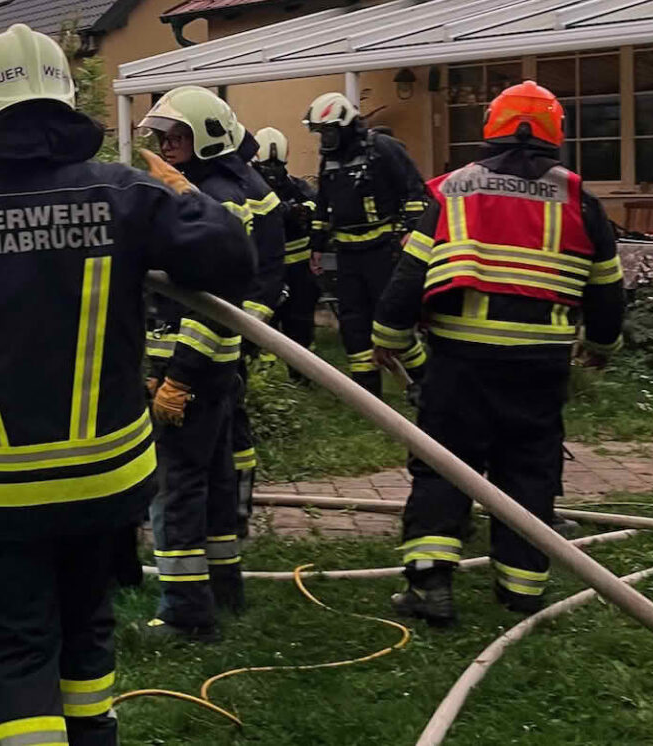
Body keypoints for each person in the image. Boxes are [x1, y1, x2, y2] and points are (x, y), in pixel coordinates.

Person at [0, 24, 253, 746]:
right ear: (65, 98)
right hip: (108, 484)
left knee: (16, 648)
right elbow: (230, 257)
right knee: (87, 625)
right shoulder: (125, 193)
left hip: (1, 493)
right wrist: (180, 191)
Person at [371, 81, 625, 625]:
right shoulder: (580, 198)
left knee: (444, 466)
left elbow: (410, 274)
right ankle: (523, 590)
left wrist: (388, 337)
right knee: (528, 468)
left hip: (460, 361)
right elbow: (606, 289)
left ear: (491, 128)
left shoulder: (454, 191)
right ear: (556, 133)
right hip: (540, 365)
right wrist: (602, 346)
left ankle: (430, 587)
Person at [137, 87, 284, 637]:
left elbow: (208, 297)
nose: (167, 147)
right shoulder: (239, 184)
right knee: (218, 480)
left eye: (177, 137)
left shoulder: (211, 198)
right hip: (220, 363)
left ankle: (184, 612)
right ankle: (225, 587)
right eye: (162, 137)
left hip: (192, 364)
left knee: (176, 489)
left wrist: (177, 376)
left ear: (205, 135)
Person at [304, 92, 430, 399]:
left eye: (329, 131)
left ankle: (425, 383)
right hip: (348, 257)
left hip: (382, 253)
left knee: (391, 322)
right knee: (353, 326)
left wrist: (410, 231)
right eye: (320, 132)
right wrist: (317, 245)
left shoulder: (382, 149)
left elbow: (415, 190)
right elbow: (323, 205)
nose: (325, 139)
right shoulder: (330, 160)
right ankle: (369, 399)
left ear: (346, 125)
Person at [254, 127, 321, 353]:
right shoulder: (250, 187)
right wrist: (286, 212)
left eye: (277, 166)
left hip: (299, 271)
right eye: (267, 166)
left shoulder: (297, 186)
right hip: (266, 269)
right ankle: (265, 372)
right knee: (264, 320)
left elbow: (317, 204)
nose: (272, 172)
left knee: (300, 321)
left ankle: (302, 375)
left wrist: (304, 210)